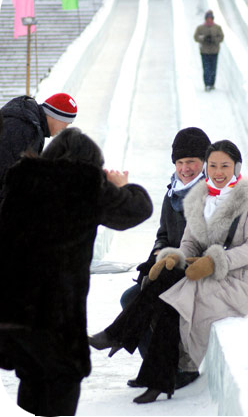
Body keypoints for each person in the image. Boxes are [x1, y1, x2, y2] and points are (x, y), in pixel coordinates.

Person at [89, 139, 248, 404]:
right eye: (214, 166)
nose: (219, 172)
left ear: (236, 167)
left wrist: (217, 262)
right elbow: (189, 243)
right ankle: (155, 376)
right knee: (164, 282)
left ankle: (123, 339)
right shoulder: (200, 198)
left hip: (235, 280)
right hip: (201, 272)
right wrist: (172, 258)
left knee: (172, 300)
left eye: (225, 166)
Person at [0, 127, 153, 416]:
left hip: (16, 315)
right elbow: (138, 209)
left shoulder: (20, 180)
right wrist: (120, 186)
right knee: (61, 388)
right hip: (58, 319)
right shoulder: (85, 184)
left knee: (30, 385)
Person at [118, 127, 211, 389]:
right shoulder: (172, 193)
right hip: (169, 268)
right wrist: (158, 252)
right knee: (130, 297)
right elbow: (162, 233)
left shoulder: (209, 194)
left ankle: (179, 369)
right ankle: (158, 370)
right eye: (180, 162)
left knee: (156, 302)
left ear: (203, 162)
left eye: (191, 161)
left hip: (194, 271)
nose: (185, 168)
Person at [0, 93, 77, 200]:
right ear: (56, 116)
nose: (64, 129)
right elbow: (10, 173)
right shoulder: (27, 128)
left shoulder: (28, 122)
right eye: (67, 123)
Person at [194, 10, 224, 91]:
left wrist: (214, 39)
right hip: (205, 52)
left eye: (210, 18)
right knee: (206, 68)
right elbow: (196, 37)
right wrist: (203, 38)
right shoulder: (200, 28)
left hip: (214, 51)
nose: (209, 20)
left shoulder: (217, 28)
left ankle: (212, 83)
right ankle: (207, 84)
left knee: (213, 68)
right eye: (208, 18)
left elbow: (221, 37)